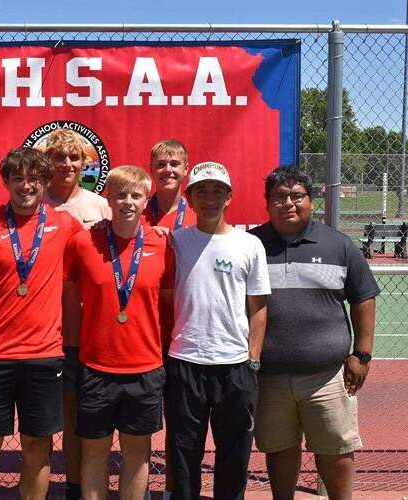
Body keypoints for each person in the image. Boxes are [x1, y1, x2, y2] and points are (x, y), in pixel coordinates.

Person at [0, 146, 81, 500]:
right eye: (18, 179)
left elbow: (107, 247)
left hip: (45, 355)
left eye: (34, 179)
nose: (26, 186)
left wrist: (153, 234)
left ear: (45, 182)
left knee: (38, 447)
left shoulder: (64, 225)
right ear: (6, 182)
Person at [249, 166, 379, 500]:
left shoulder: (339, 245)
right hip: (269, 376)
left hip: (328, 375)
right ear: (267, 203)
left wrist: (361, 354)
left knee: (335, 449)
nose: (288, 203)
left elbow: (363, 297)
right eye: (279, 197)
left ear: (310, 201)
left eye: (296, 196)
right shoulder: (250, 246)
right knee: (279, 448)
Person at [63, 165, 174, 500]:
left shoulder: (163, 244)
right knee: (94, 453)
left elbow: (167, 304)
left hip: (145, 368)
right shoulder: (83, 243)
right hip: (96, 366)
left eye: (136, 195)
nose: (128, 201)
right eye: (120, 194)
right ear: (108, 198)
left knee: (137, 454)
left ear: (145, 201)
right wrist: (70, 349)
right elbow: (69, 298)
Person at [165, 161, 270, 500]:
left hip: (235, 365)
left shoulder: (249, 244)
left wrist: (253, 358)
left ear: (229, 197)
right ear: (189, 198)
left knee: (235, 452)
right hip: (184, 362)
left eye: (217, 191)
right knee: (183, 452)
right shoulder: (175, 241)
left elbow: (258, 307)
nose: (209, 198)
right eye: (201, 191)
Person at [36, 128, 112, 499]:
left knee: (86, 419)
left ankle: (81, 487)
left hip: (91, 330)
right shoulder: (35, 203)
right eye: (58, 157)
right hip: (47, 329)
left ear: (85, 163)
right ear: (47, 162)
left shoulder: (99, 206)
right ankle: (55, 484)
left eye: (72, 158)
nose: (65, 164)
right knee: (54, 418)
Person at [143, 139, 195, 500]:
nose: (168, 170)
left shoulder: (199, 216)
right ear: (151, 170)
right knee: (140, 425)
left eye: (175, 163)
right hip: (143, 335)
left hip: (184, 336)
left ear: (186, 169)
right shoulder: (133, 210)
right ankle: (139, 488)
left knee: (181, 424)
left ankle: (175, 490)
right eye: (161, 164)